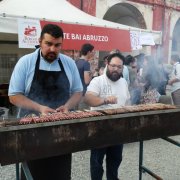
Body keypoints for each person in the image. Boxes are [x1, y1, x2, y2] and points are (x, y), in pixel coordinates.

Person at [8, 24, 83, 180]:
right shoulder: (26, 62)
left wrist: (68, 106)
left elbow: (78, 91)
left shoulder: (69, 63)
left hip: (62, 132)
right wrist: (39, 107)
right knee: (33, 174)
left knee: (60, 174)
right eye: (48, 44)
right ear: (40, 41)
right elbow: (14, 96)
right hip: (31, 131)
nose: (52, 49)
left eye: (57, 45)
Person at [84, 53, 130, 180]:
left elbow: (126, 102)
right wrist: (104, 100)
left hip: (118, 128)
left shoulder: (124, 82)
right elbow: (88, 99)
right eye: (113, 66)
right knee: (97, 163)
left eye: (119, 67)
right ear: (107, 64)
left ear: (123, 68)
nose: (115, 69)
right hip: (99, 129)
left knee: (115, 160)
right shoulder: (98, 81)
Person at [75, 43, 95, 109]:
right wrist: (92, 73)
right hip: (83, 94)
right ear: (89, 52)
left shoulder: (76, 62)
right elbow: (87, 81)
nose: (93, 53)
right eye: (92, 52)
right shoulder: (86, 63)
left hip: (74, 94)